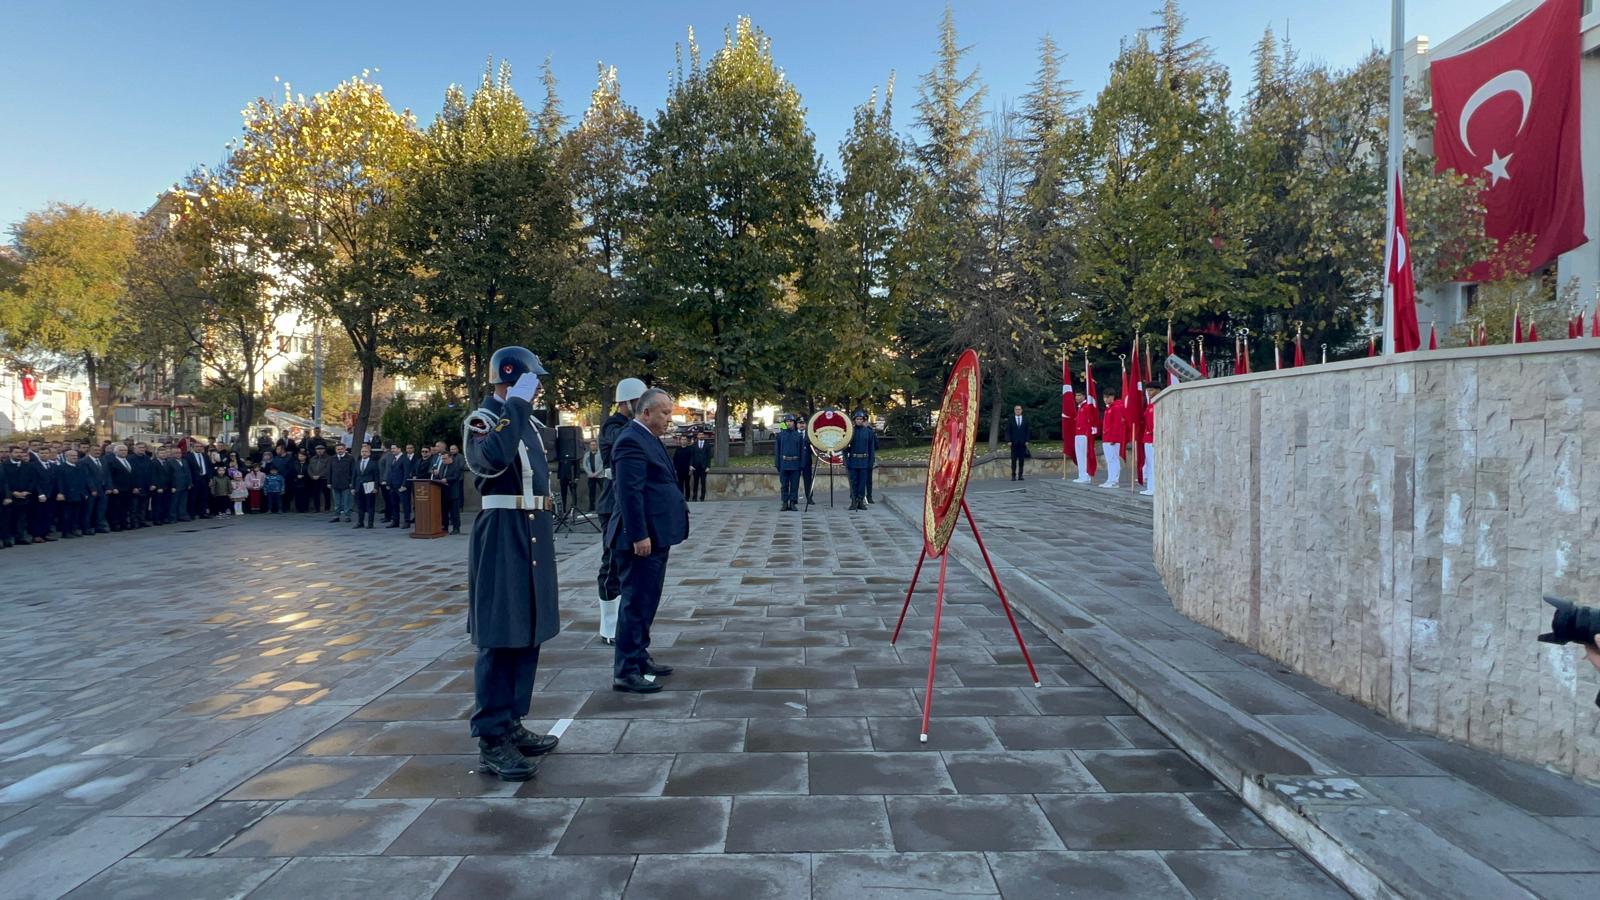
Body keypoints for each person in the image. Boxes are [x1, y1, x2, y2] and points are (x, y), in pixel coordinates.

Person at [463, 346, 562, 781]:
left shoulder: (526, 422)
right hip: (503, 531)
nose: (537, 388)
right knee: (501, 632)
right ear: (511, 376)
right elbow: (494, 458)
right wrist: (516, 402)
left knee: (528, 628)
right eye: (530, 380)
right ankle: (490, 737)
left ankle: (512, 722)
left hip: (532, 529)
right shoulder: (485, 420)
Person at [607, 387, 690, 695]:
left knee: (647, 601)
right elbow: (629, 493)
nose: (670, 418)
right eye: (665, 413)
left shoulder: (648, 438)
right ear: (646, 413)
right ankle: (625, 670)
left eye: (670, 412)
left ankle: (639, 657)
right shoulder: (630, 439)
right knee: (636, 603)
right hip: (641, 540)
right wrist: (639, 534)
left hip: (657, 535)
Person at [596, 377, 648, 645]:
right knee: (612, 562)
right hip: (611, 502)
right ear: (627, 402)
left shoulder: (629, 425)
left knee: (632, 564)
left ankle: (626, 621)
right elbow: (625, 439)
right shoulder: (612, 427)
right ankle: (609, 625)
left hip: (625, 500)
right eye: (639, 403)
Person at [845, 409, 878, 511]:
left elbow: (871, 448)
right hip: (853, 460)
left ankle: (860, 501)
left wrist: (871, 461)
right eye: (857, 419)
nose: (859, 421)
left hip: (864, 460)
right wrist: (846, 460)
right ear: (854, 420)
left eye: (861, 419)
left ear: (863, 420)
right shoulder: (851, 432)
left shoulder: (868, 432)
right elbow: (845, 447)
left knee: (862, 482)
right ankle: (853, 501)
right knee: (854, 481)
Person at [54, 448, 90, 537]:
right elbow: (59, 481)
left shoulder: (80, 467)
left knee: (76, 514)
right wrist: (60, 492)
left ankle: (73, 529)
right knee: (66, 514)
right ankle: (66, 532)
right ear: (66, 457)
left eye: (76, 456)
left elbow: (83, 481)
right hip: (67, 494)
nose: (75, 457)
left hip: (79, 494)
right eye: (72, 456)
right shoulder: (61, 468)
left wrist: (85, 493)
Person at [774, 414, 805, 511]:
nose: (789, 423)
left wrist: (801, 465)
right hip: (784, 463)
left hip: (795, 463)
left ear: (794, 423)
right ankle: (784, 502)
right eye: (787, 421)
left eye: (791, 421)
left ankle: (792, 502)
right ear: (785, 423)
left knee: (794, 485)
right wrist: (777, 464)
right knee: (784, 485)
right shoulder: (780, 436)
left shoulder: (798, 436)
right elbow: (777, 451)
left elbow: (802, 451)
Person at [1074, 393, 1101, 484]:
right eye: (1076, 395)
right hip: (1078, 433)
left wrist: (1090, 431)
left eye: (1079, 395)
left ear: (1084, 396)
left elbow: (1092, 419)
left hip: (1084, 434)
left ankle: (1086, 475)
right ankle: (1081, 475)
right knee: (1079, 456)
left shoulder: (1087, 406)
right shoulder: (1080, 407)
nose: (1077, 397)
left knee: (1084, 455)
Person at [1100, 390, 1124, 488]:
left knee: (1113, 459)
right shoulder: (1108, 409)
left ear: (1112, 397)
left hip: (1112, 438)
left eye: (1107, 397)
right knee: (1109, 460)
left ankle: (1114, 481)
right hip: (1106, 437)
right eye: (1104, 397)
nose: (1105, 399)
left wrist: (1114, 438)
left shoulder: (1116, 408)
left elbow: (1117, 424)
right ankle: (1110, 479)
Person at [352, 443, 379, 528]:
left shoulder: (373, 463)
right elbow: (354, 476)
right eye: (362, 451)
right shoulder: (357, 463)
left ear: (369, 453)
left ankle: (370, 523)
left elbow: (376, 476)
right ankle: (360, 522)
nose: (364, 453)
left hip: (369, 486)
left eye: (366, 451)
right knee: (360, 505)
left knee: (370, 505)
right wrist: (353, 487)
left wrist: (376, 487)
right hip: (359, 486)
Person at [385, 444, 412, 528]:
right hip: (393, 486)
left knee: (405, 504)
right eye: (391, 448)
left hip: (401, 486)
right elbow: (391, 472)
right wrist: (388, 483)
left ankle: (407, 521)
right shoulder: (393, 459)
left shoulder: (404, 459)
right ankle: (395, 521)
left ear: (399, 449)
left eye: (394, 448)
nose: (392, 450)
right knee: (394, 504)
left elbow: (406, 473)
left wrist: (404, 485)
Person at [438, 448, 464, 534]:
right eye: (442, 459)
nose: (443, 460)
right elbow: (440, 476)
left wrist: (447, 480)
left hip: (453, 493)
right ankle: (444, 527)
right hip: (443, 492)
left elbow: (456, 477)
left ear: (450, 458)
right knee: (444, 512)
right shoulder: (442, 465)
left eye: (445, 458)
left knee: (454, 513)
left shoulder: (456, 466)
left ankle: (456, 528)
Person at [328, 443, 355, 523]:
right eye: (338, 449)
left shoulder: (350, 458)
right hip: (335, 482)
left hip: (346, 483)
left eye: (341, 449)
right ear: (336, 450)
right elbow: (329, 471)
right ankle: (336, 515)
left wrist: (351, 482)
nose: (339, 451)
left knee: (347, 501)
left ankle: (347, 516)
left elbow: (353, 471)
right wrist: (329, 482)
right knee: (336, 501)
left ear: (344, 449)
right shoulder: (332, 458)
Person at [1006, 404, 1031, 481]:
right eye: (1016, 409)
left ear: (1021, 410)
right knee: (1013, 460)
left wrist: (1027, 440)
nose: (1018, 411)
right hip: (1014, 443)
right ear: (1014, 411)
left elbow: (1028, 431)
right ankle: (1013, 475)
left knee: (1021, 460)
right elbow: (1008, 431)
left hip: (1022, 443)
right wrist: (1008, 440)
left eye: (1019, 409)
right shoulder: (1011, 419)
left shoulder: (1025, 419)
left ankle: (1020, 475)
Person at [1140, 385, 1157, 497]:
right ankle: (1150, 487)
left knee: (1154, 464)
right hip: (1147, 438)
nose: (1149, 392)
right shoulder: (1150, 404)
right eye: (1147, 390)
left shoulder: (1159, 403)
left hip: (1154, 438)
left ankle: (1154, 487)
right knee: (1150, 464)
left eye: (1151, 390)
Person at [168, 447, 193, 522]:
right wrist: (172, 486)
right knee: (174, 502)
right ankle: (173, 517)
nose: (178, 454)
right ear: (172, 454)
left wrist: (189, 483)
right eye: (176, 453)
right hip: (175, 486)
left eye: (179, 453)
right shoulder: (169, 462)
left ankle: (182, 515)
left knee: (183, 502)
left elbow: (188, 473)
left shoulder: (184, 461)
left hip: (185, 485)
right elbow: (169, 476)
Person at [306, 445, 331, 513]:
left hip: (324, 478)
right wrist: (312, 475)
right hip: (314, 479)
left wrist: (319, 475)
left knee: (326, 494)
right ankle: (316, 508)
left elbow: (327, 469)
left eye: (321, 449)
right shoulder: (313, 458)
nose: (319, 450)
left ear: (324, 450)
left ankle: (327, 508)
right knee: (315, 494)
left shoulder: (328, 458)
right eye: (317, 449)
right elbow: (309, 468)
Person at [581, 438, 603, 513]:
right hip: (590, 476)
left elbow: (602, 464)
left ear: (596, 446)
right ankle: (591, 506)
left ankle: (603, 505)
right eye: (591, 445)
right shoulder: (587, 454)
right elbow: (585, 464)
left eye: (594, 445)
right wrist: (589, 473)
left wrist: (596, 473)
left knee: (603, 490)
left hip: (600, 475)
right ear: (589, 446)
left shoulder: (600, 454)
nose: (593, 446)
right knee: (591, 492)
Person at [689, 432, 709, 502]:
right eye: (699, 435)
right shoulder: (694, 445)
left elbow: (708, 456)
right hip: (696, 467)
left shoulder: (707, 445)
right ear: (697, 436)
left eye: (702, 435)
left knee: (703, 482)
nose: (701, 436)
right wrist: (691, 465)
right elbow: (692, 456)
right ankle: (694, 497)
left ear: (704, 436)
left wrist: (708, 466)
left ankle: (702, 497)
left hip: (704, 467)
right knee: (695, 483)